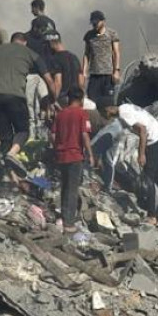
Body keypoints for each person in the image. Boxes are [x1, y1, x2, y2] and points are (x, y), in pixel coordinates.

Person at [0, 32, 55, 170]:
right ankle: (12, 154)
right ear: (25, 42)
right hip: (15, 96)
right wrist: (52, 101)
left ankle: (5, 169)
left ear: (12, 41)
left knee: (6, 136)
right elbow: (49, 79)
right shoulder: (30, 53)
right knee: (23, 131)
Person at [98, 97, 158, 224]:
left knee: (149, 179)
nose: (104, 116)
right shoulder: (125, 107)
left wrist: (141, 154)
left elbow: (142, 130)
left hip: (154, 142)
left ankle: (152, 216)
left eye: (103, 113)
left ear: (108, 109)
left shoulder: (124, 114)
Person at [51, 86, 94, 233]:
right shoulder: (82, 114)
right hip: (75, 156)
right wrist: (90, 154)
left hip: (61, 156)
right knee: (72, 189)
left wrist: (57, 148)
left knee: (65, 187)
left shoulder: (60, 114)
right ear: (81, 99)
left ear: (69, 99)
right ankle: (69, 224)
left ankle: (64, 217)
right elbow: (84, 134)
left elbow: (52, 135)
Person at [82, 10, 121, 103]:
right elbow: (86, 54)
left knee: (108, 102)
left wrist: (116, 70)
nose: (94, 25)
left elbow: (116, 52)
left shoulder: (112, 34)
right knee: (92, 101)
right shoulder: (89, 35)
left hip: (108, 74)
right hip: (94, 74)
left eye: (96, 23)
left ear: (103, 21)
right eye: (93, 23)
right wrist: (84, 71)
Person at [47, 31, 83, 106]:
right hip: (75, 98)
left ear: (51, 43)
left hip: (63, 97)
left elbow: (58, 82)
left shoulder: (55, 59)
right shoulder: (74, 57)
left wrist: (54, 100)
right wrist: (80, 97)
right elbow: (81, 80)